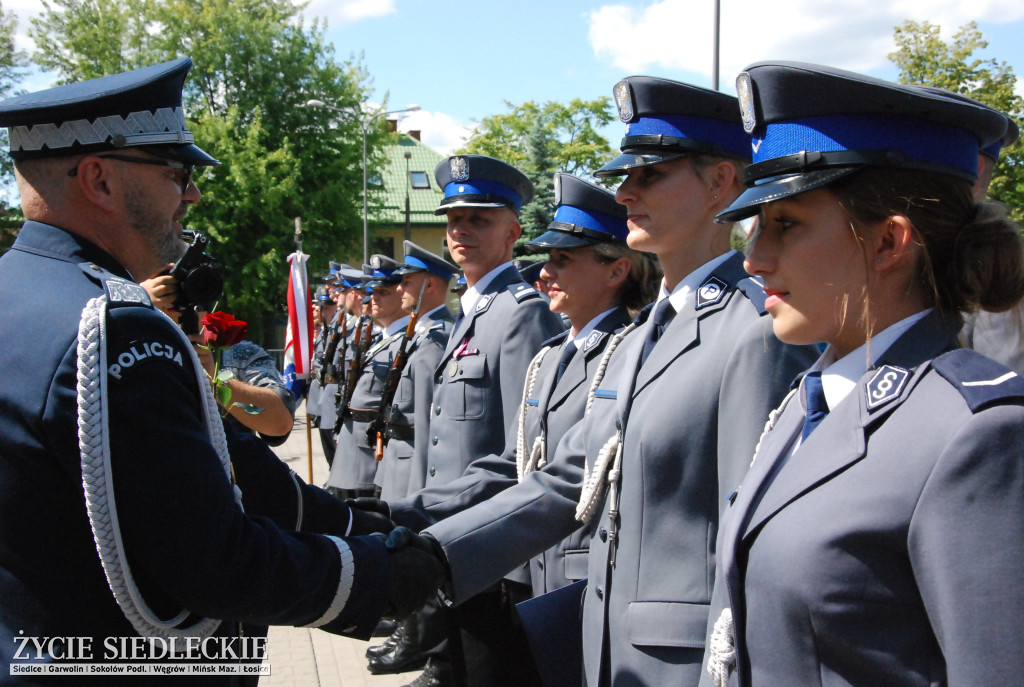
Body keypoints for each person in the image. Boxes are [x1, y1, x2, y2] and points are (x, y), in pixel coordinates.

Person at [0, 58, 442, 683]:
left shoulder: (21, 294)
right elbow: (212, 562)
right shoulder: (115, 328)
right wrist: (381, 575)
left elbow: (219, 458)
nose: (194, 194)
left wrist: (355, 525)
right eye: (176, 173)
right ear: (98, 180)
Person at [703, 61, 1024, 687]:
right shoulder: (807, 402)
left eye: (785, 224)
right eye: (754, 227)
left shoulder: (977, 435)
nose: (752, 259)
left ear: (888, 243)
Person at [561, 77, 815, 687]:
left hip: (687, 664)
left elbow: (748, 543)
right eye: (627, 177)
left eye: (650, 176)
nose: (623, 194)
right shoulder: (644, 331)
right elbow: (574, 476)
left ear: (721, 183)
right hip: (610, 651)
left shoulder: (755, 330)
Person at [419, 154, 565, 686]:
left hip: (496, 557)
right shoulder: (474, 311)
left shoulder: (521, 311)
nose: (461, 231)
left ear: (512, 231)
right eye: (454, 220)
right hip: (456, 542)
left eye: (479, 219)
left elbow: (524, 449)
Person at [363, 242, 457, 685]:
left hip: (415, 467)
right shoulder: (420, 334)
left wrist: (422, 489)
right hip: (398, 462)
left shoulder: (435, 339)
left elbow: (427, 424)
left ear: (431, 287)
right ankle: (411, 636)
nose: (399, 288)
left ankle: (425, 648)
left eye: (408, 281)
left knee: (421, 560)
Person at [141, 272, 299, 445]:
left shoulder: (239, 354)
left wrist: (215, 382)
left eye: (187, 304)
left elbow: (279, 424)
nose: (177, 314)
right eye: (166, 303)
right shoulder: (125, 351)